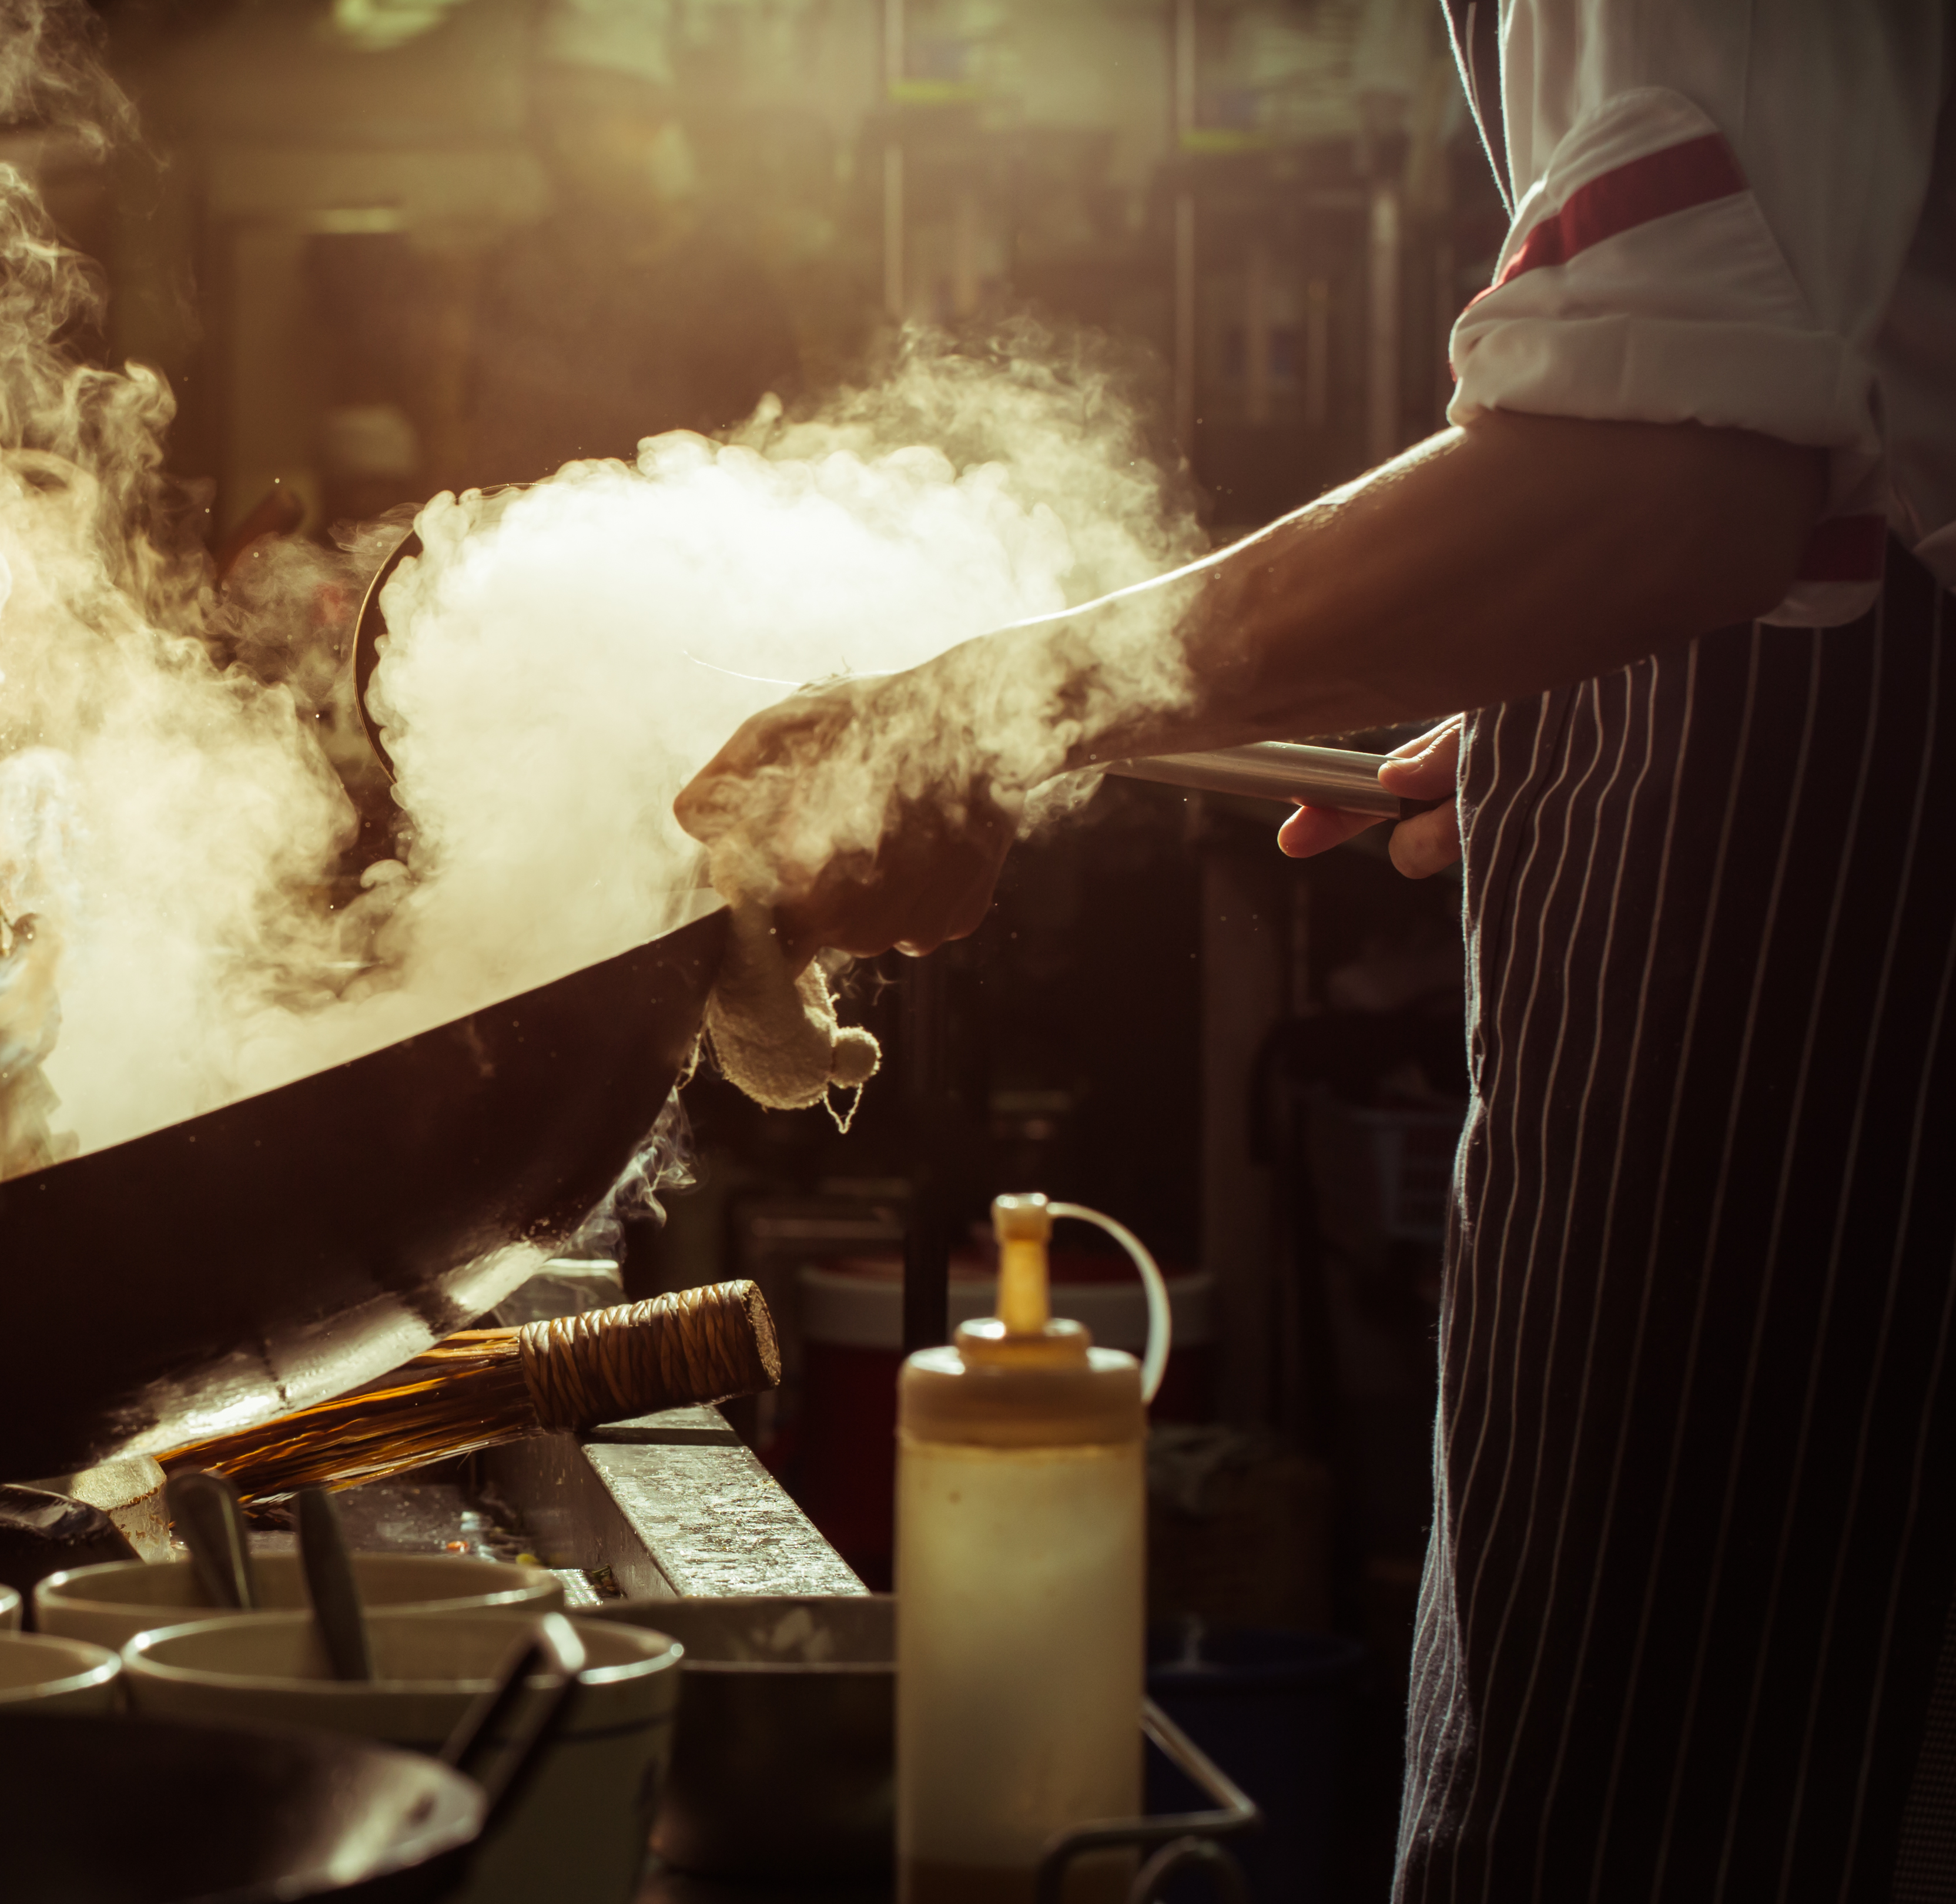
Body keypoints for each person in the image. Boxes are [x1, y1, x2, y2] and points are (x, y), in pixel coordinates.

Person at [676, 4, 1956, 1896]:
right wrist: (1538, 686)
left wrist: (990, 717)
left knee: (1657, 1792)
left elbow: (1658, 478)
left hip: (1859, 889)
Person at [452, 8, 796, 490]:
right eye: (549, 120)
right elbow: (486, 453)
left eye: (587, 116)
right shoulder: (518, 270)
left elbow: (768, 459)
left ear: (650, 121)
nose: (564, 143)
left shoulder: (730, 285)